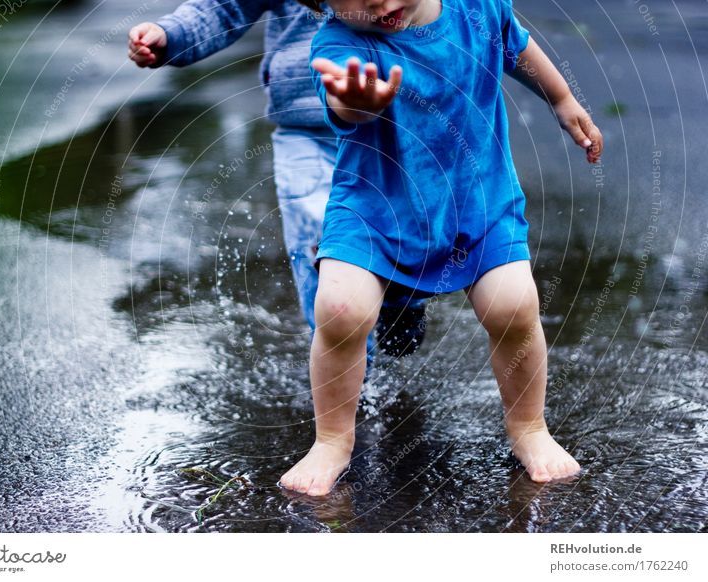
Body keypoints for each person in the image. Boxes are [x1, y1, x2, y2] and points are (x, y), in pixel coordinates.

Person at [278, 0, 603, 496]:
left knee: (514, 308)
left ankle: (529, 427)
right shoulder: (340, 43)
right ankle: (332, 439)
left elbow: (515, 45)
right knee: (340, 310)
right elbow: (346, 106)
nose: (378, 4)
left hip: (478, 203)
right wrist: (359, 101)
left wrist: (560, 98)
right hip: (376, 210)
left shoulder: (478, 7)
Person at [127, 1, 428, 364]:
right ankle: (345, 360)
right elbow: (226, 7)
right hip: (306, 128)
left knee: (403, 230)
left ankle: (401, 297)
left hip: (392, 125)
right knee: (317, 241)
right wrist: (171, 35)